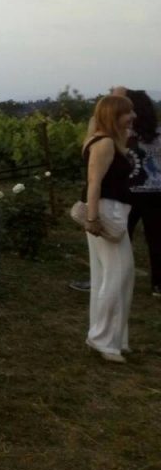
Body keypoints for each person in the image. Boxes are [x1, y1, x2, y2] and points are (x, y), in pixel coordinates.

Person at [82, 93, 137, 362]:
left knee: (114, 276)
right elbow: (94, 182)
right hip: (106, 211)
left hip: (110, 211)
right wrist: (93, 218)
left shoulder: (107, 139)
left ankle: (112, 338)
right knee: (117, 275)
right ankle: (103, 339)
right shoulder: (103, 143)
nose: (133, 116)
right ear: (113, 116)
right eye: (127, 112)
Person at [126, 90, 161, 298]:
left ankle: (120, 280)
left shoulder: (125, 135)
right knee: (157, 239)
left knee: (121, 238)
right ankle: (158, 284)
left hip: (128, 193)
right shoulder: (159, 133)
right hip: (157, 193)